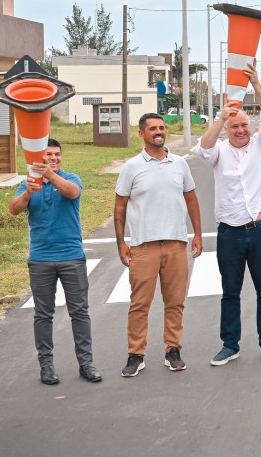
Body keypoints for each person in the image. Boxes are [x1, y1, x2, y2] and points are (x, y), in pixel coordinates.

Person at [193, 64, 261, 365]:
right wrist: (221, 119)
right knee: (230, 292)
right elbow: (202, 149)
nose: (240, 130)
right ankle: (230, 344)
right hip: (230, 233)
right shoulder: (218, 150)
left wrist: (257, 84)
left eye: (244, 125)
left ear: (251, 126)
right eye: (234, 126)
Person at [114, 113, 203, 377]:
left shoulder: (179, 164)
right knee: (139, 304)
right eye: (152, 128)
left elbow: (192, 200)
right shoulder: (131, 167)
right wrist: (121, 243)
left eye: (162, 127)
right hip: (143, 246)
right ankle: (135, 354)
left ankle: (173, 350)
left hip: (176, 243)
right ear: (142, 134)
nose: (159, 131)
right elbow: (119, 208)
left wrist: (198, 234)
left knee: (175, 302)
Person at [8, 139, 100, 386]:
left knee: (79, 312)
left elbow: (73, 193)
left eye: (57, 154)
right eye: (48, 154)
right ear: (40, 156)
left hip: (71, 256)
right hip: (40, 259)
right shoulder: (28, 183)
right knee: (43, 314)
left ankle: (86, 363)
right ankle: (46, 366)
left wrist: (49, 174)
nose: (54, 158)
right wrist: (28, 191)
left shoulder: (71, 178)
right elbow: (13, 210)